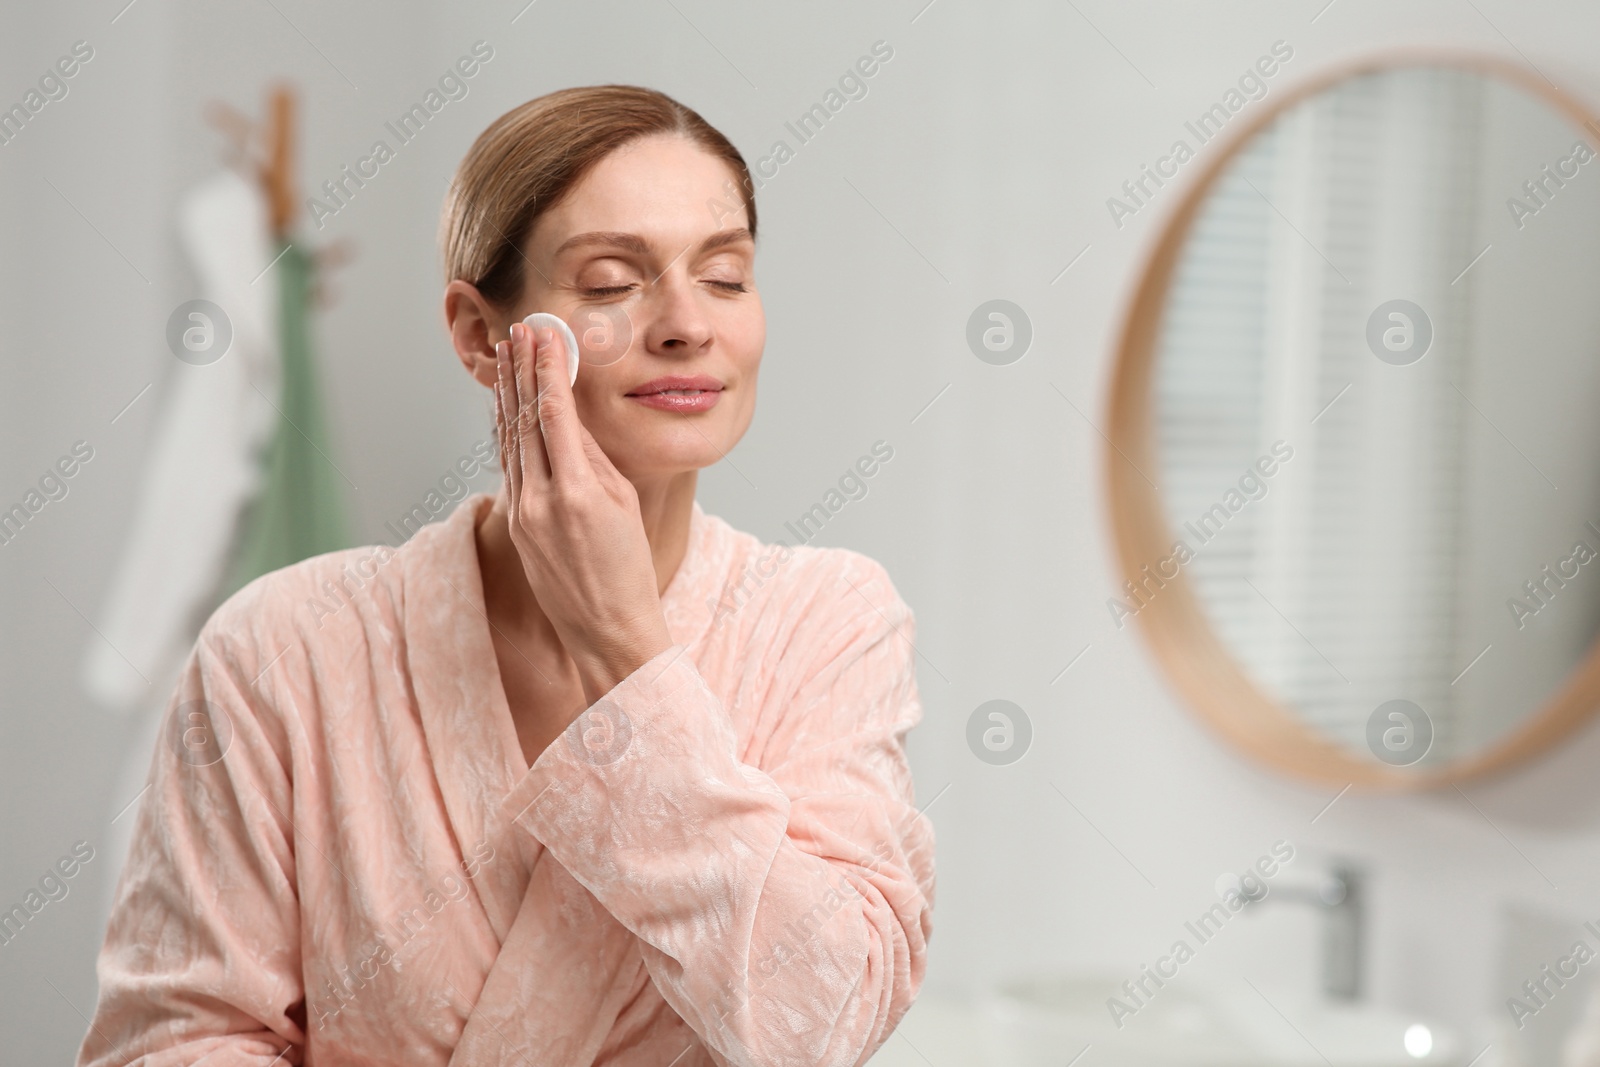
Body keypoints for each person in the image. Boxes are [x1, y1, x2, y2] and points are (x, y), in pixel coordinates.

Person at [74, 84, 935, 1067]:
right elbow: (175, 1042)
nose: (687, 323)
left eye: (726, 274)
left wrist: (627, 650)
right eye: (613, 281)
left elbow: (825, 1023)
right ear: (481, 335)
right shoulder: (285, 644)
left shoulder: (827, 622)